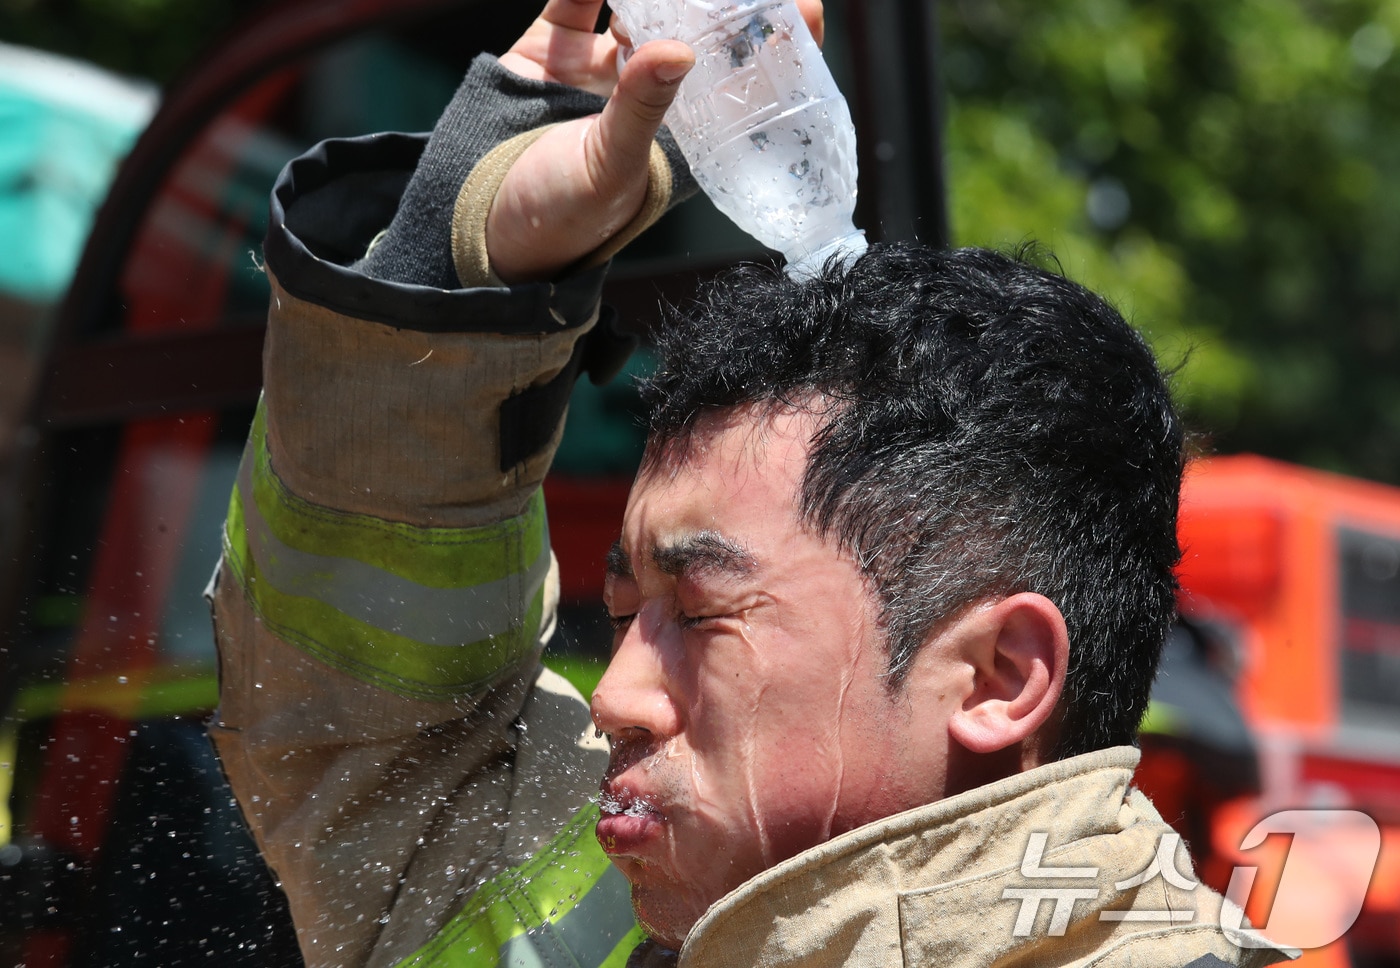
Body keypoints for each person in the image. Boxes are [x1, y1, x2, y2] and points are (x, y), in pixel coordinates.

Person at [208, 1, 1293, 965]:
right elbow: (358, 708)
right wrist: (465, 274)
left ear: (997, 676)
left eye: (702, 610)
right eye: (629, 608)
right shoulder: (620, 902)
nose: (616, 696)